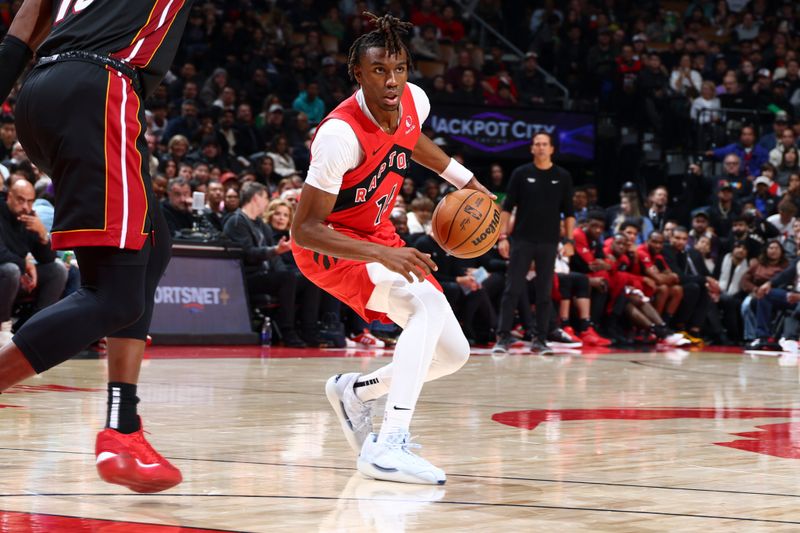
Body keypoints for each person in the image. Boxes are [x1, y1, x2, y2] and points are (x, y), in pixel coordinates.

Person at [291, 13, 493, 485]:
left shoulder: (412, 102)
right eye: (379, 70)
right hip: (333, 247)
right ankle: (389, 444)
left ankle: (355, 392)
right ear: (358, 74)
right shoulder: (339, 136)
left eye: (399, 68)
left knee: (453, 353)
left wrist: (467, 181)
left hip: (378, 238)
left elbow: (414, 141)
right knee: (422, 303)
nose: (391, 79)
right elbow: (304, 230)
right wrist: (384, 255)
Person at [0, 0, 193, 493]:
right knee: (115, 294)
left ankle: (124, 427)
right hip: (98, 86)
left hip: (39, 94)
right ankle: (120, 432)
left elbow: (25, 26)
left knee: (153, 244)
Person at [493, 132, 576, 355]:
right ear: (532, 149)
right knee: (512, 289)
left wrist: (569, 240)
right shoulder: (521, 174)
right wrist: (502, 237)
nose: (540, 148)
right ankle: (503, 337)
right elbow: (507, 207)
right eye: (536, 144)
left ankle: (540, 339)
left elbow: (569, 213)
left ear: (552, 149)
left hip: (549, 242)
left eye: (544, 144)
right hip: (522, 240)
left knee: (544, 292)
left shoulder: (563, 176)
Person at [223, 183, 306, 347]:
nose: (268, 201)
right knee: (287, 278)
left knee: (308, 280)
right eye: (266, 197)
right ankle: (287, 331)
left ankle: (309, 330)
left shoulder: (262, 225)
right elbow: (248, 254)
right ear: (256, 198)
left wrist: (277, 254)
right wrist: (275, 250)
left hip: (265, 276)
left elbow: (275, 259)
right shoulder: (236, 221)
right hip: (246, 277)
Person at [0, 180, 68, 344]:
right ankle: (4, 328)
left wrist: (43, 235)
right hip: (6, 274)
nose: (25, 206)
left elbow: (48, 259)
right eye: (20, 200)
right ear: (9, 197)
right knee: (11, 270)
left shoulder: (29, 217)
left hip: (17, 277)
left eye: (30, 201)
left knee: (58, 270)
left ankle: (35, 327)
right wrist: (26, 265)